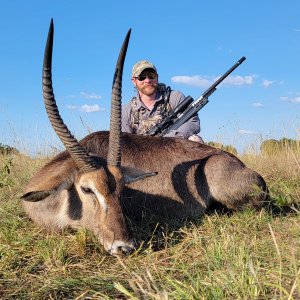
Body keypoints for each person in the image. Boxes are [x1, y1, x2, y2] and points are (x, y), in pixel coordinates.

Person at [122, 60, 204, 143]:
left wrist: (167, 139)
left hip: (173, 146)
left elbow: (193, 122)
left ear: (157, 77)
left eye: (151, 75)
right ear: (134, 80)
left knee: (194, 140)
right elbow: (126, 143)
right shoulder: (127, 111)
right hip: (143, 154)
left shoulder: (174, 97)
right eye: (142, 77)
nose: (147, 80)